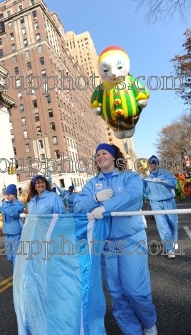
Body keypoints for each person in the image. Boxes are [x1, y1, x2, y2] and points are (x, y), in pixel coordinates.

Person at [73, 143, 157, 335]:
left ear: (113, 157)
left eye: (104, 153)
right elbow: (77, 206)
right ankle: (132, 331)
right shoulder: (92, 184)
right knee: (116, 294)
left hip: (131, 240)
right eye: (97, 155)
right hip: (106, 245)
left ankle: (149, 321)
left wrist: (105, 207)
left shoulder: (129, 177)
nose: (99, 157)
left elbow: (134, 196)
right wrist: (95, 198)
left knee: (136, 290)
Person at [143, 155, 178, 259]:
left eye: (153, 163)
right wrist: (143, 186)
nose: (152, 165)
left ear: (157, 163)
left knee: (173, 223)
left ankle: (174, 241)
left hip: (168, 201)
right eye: (150, 163)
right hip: (155, 203)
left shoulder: (166, 173)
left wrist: (163, 182)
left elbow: (173, 184)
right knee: (162, 226)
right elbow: (146, 192)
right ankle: (169, 249)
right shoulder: (148, 178)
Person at [0, 184, 24, 266]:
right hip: (7, 236)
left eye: (8, 194)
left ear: (14, 194)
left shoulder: (19, 205)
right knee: (10, 258)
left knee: (16, 259)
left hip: (16, 235)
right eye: (6, 194)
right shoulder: (6, 204)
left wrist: (2, 204)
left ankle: (18, 278)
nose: (7, 196)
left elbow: (12, 213)